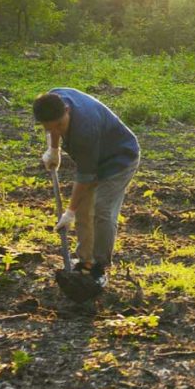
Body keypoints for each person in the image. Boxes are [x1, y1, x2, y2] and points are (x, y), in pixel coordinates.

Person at [34, 89, 140, 287]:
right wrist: (54, 149)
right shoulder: (53, 99)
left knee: (102, 210)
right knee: (84, 211)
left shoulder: (85, 130)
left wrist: (69, 212)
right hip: (95, 155)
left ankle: (99, 266)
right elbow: (54, 127)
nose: (56, 131)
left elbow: (85, 178)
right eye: (49, 128)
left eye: (60, 125)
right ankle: (85, 261)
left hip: (120, 158)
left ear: (67, 110)